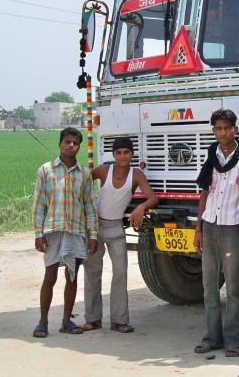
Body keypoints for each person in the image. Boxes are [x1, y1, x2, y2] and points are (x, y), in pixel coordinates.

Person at [192, 109, 239, 357]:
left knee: (233, 287)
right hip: (209, 225)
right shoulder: (211, 155)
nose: (223, 132)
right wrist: (198, 228)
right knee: (209, 285)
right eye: (218, 128)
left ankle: (237, 339)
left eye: (227, 127)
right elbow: (205, 193)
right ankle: (212, 337)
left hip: (233, 228)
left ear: (235, 129)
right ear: (214, 131)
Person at [83, 137, 158, 334]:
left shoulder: (136, 175)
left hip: (116, 229)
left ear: (132, 154)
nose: (122, 156)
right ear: (113, 155)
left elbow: (153, 197)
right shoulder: (104, 171)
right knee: (92, 272)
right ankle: (92, 319)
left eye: (126, 152)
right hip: (95, 228)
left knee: (121, 272)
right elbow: (81, 180)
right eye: (118, 153)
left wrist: (141, 207)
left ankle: (119, 320)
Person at [32, 127, 98, 338]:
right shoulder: (46, 170)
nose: (71, 145)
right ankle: (43, 322)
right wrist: (38, 234)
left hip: (76, 231)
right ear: (60, 144)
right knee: (50, 276)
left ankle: (66, 320)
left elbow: (89, 205)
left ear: (79, 146)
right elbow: (39, 204)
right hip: (52, 230)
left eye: (75, 143)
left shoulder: (84, 173)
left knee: (72, 276)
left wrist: (93, 235)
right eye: (67, 142)